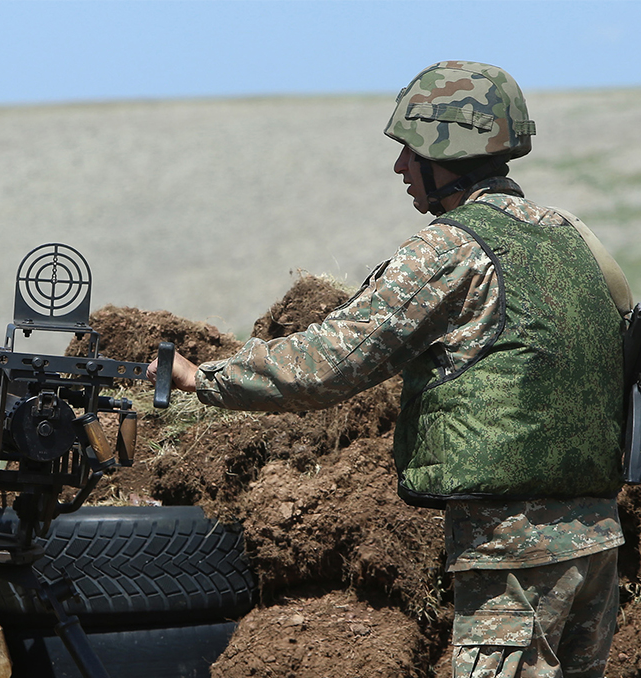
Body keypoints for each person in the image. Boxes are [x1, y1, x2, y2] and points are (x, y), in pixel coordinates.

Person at [148, 61, 633, 678]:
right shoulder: (574, 237)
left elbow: (329, 362)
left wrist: (205, 378)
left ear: (445, 149)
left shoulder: (453, 249)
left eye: (409, 150)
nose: (399, 168)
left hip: (513, 557)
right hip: (595, 544)